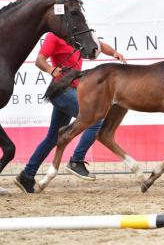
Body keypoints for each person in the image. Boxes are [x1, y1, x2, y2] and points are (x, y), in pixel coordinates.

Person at [14, 32, 126, 193]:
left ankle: (26, 175)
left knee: (52, 138)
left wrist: (114, 53)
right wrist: (51, 70)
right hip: (62, 91)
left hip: (72, 91)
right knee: (95, 120)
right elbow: (40, 60)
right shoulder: (54, 36)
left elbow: (99, 45)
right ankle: (76, 161)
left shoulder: (77, 35)